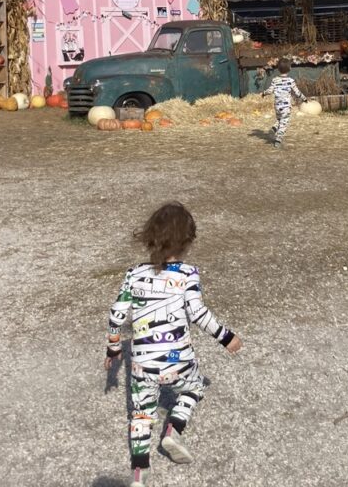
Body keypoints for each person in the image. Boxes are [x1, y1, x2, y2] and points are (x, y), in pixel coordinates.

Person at [105, 202, 242, 487]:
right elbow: (198, 314)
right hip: (178, 362)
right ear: (187, 241)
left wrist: (114, 348)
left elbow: (117, 313)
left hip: (142, 365)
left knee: (141, 414)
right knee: (194, 387)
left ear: (150, 238)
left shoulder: (133, 274)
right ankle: (173, 428)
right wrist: (226, 337)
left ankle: (139, 474)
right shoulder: (187, 274)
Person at [261, 58, 308, 148]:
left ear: (278, 69)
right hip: (286, 106)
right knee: (284, 122)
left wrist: (264, 93)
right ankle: (278, 139)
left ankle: (274, 128)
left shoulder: (275, 80)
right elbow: (297, 92)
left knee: (279, 120)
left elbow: (270, 91)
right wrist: (304, 99)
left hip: (277, 105)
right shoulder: (290, 81)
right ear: (290, 68)